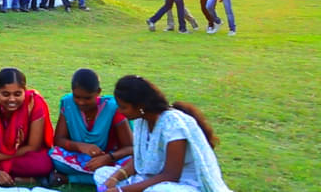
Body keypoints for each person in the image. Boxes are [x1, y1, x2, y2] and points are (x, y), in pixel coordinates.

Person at [94, 75, 232, 192]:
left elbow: (171, 175)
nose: (120, 111)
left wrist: (121, 190)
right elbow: (138, 161)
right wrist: (114, 179)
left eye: (124, 107)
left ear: (140, 105)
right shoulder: (141, 121)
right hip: (152, 178)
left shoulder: (173, 124)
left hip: (183, 185)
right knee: (102, 175)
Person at [0, 68, 54, 186]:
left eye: (18, 94)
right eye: (5, 94)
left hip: (21, 152)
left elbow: (33, 146)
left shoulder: (34, 102)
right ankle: (22, 178)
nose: (12, 99)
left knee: (45, 164)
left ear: (25, 91)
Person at [47, 69, 133, 187]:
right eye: (77, 97)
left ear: (98, 92)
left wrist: (108, 157)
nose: (81, 102)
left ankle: (70, 178)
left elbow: (130, 148)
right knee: (54, 156)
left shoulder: (113, 108)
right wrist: (80, 146)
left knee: (131, 163)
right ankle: (110, 179)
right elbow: (59, 140)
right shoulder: (68, 104)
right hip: (81, 157)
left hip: (111, 159)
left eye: (87, 98)